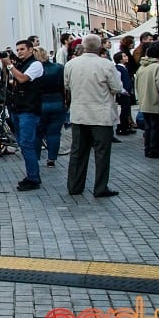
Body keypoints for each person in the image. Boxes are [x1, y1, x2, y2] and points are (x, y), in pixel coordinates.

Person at [64, 34, 123, 198]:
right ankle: (100, 187)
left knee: (78, 152)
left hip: (79, 113)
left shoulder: (71, 64)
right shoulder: (106, 65)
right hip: (100, 114)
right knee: (102, 152)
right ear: (99, 48)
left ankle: (74, 185)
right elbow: (117, 87)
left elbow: (67, 85)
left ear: (83, 47)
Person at [2, 39, 44, 192]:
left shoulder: (36, 65)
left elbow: (22, 78)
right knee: (22, 144)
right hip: (17, 108)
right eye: (17, 49)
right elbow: (10, 81)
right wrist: (6, 66)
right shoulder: (19, 64)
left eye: (22, 49)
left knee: (27, 144)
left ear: (31, 50)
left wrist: (10, 64)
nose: (19, 52)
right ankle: (32, 175)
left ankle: (33, 178)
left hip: (29, 109)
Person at [136, 43, 159, 159]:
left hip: (144, 101)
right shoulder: (158, 67)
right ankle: (155, 150)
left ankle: (148, 149)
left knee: (149, 127)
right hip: (155, 101)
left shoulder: (142, 67)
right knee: (156, 128)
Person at [34, 47, 65, 167]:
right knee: (54, 133)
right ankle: (51, 158)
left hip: (40, 103)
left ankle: (35, 158)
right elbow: (64, 85)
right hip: (57, 101)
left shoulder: (34, 70)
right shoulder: (58, 68)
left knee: (37, 133)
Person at [113, 52, 135, 135]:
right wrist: (123, 91)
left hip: (127, 92)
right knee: (123, 110)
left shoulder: (124, 68)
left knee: (126, 110)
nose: (127, 57)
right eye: (124, 56)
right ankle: (121, 128)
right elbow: (118, 81)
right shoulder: (118, 69)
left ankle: (126, 126)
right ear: (120, 59)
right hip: (123, 93)